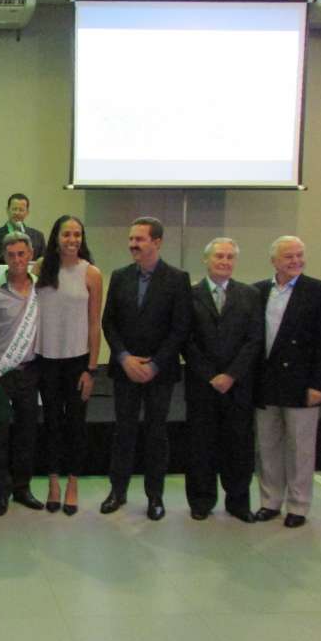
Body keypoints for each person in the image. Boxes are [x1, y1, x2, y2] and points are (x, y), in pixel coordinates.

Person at [101, 216, 191, 521]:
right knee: (123, 432)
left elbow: (180, 329)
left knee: (156, 434)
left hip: (159, 373)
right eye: (131, 239)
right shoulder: (119, 276)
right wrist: (124, 358)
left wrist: (154, 364)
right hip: (125, 369)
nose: (132, 245)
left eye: (139, 239)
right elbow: (108, 322)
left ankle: (155, 496)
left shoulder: (178, 279)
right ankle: (118, 491)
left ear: (157, 242)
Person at [253, 236, 321, 528]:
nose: (295, 261)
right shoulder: (258, 291)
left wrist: (320, 385)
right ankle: (270, 502)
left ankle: (299, 506)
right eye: (288, 256)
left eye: (300, 255)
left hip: (302, 383)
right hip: (266, 383)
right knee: (267, 446)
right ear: (274, 260)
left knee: (300, 449)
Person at [183, 238, 263, 522]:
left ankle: (238, 501)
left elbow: (254, 340)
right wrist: (210, 375)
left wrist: (230, 374)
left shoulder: (250, 295)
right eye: (219, 256)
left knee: (238, 444)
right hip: (201, 384)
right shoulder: (189, 295)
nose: (225, 262)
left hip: (238, 385)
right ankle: (201, 500)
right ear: (206, 260)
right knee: (200, 444)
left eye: (230, 257)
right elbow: (186, 341)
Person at [35, 217, 103, 516]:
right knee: (50, 423)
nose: (72, 239)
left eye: (77, 234)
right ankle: (52, 483)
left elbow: (94, 323)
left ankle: (73, 483)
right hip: (45, 359)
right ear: (56, 237)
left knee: (76, 425)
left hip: (78, 361)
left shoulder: (91, 273)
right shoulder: (39, 269)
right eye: (66, 234)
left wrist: (92, 369)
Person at [0, 231, 46, 515]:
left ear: (30, 256)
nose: (17, 259)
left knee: (26, 434)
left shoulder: (42, 290)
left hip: (30, 371)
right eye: (11, 255)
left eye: (22, 254)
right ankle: (0, 494)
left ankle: (22, 488)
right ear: (4, 258)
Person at [0, 193, 47, 273]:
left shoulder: (38, 237)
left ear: (27, 213)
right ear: (7, 210)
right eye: (14, 209)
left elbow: (44, 266)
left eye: (21, 210)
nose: (17, 213)